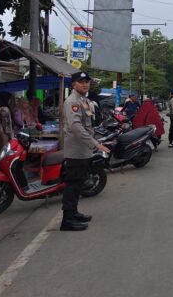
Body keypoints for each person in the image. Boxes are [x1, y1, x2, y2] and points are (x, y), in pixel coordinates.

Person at [61, 71, 110, 231]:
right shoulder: (72, 102)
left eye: (86, 82)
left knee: (78, 184)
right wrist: (96, 144)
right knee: (73, 185)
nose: (84, 84)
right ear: (74, 84)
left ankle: (73, 213)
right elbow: (76, 127)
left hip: (83, 150)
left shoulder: (84, 100)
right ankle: (67, 220)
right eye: (81, 82)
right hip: (76, 150)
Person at [0, 92, 15, 160]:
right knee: (3, 152)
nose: (10, 101)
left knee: (0, 151)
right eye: (9, 99)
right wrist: (11, 136)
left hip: (0, 132)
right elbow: (6, 125)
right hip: (4, 133)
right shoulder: (4, 109)